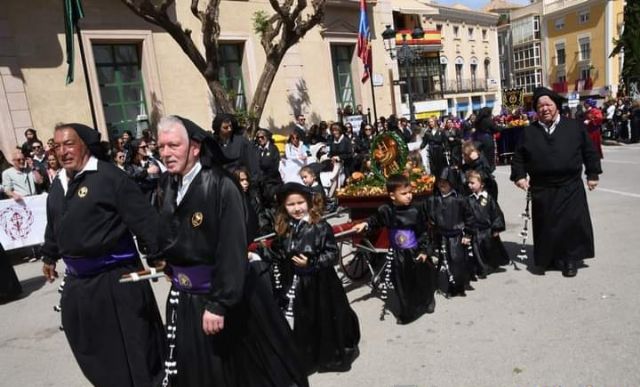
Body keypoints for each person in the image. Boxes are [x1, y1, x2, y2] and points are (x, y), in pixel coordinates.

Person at [154, 115, 308, 386]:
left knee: (238, 371)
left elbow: (232, 246)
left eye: (173, 145)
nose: (166, 153)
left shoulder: (220, 185)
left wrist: (219, 303)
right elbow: (167, 230)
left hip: (224, 297)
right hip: (186, 299)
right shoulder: (167, 185)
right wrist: (168, 262)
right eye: (161, 147)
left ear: (194, 147)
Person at [40, 123, 165, 387]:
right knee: (94, 348)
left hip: (116, 279)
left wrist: (158, 255)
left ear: (84, 145)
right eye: (57, 145)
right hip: (79, 284)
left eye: (69, 144)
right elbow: (54, 224)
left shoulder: (109, 177)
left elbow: (143, 218)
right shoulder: (58, 184)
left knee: (137, 348)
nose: (62, 151)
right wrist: (49, 255)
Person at [261, 182, 360, 374]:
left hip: (320, 283)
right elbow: (280, 252)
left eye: (300, 203)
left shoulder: (320, 227)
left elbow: (332, 255)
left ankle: (328, 357)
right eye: (291, 205)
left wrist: (312, 261)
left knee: (323, 320)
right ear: (283, 207)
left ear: (308, 202)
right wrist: (264, 253)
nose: (297, 208)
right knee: (302, 322)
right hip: (296, 283)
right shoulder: (286, 228)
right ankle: (306, 359)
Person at [510, 87, 602, 277]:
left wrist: (592, 174)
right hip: (542, 188)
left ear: (556, 106)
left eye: (548, 104)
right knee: (546, 225)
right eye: (540, 106)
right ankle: (548, 259)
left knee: (571, 224)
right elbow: (518, 157)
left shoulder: (574, 126)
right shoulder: (529, 132)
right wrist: (519, 176)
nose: (545, 109)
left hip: (570, 186)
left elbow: (589, 151)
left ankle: (569, 260)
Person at [353, 174, 437, 324]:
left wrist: (424, 250)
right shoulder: (387, 210)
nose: (408, 196)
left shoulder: (416, 209)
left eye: (410, 192)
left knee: (421, 278)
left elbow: (423, 231)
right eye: (404, 194)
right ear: (392, 195)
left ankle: (427, 301)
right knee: (401, 282)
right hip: (397, 254)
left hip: (415, 251)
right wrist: (365, 224)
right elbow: (375, 220)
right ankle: (407, 312)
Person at [426, 167, 473, 297]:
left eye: (445, 182)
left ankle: (458, 287)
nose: (441, 185)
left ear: (452, 183)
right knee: (443, 261)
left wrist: (468, 234)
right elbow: (429, 215)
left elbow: (469, 217)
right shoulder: (434, 199)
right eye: (440, 182)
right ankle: (444, 286)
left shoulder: (460, 199)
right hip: (441, 236)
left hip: (456, 236)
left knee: (457, 261)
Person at [465, 170, 508, 277]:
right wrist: (467, 231)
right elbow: (466, 216)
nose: (470, 185)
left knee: (490, 249)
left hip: (488, 230)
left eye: (472, 183)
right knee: (477, 251)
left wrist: (496, 228)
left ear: (482, 184)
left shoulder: (488, 198)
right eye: (469, 183)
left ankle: (491, 265)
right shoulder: (469, 200)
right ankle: (482, 269)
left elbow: (496, 213)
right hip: (476, 230)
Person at [125, 139, 161, 204]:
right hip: (141, 197)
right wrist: (146, 171)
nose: (146, 149)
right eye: (143, 147)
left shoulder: (151, 160)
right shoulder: (130, 165)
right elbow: (131, 178)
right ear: (136, 149)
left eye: (146, 146)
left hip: (155, 196)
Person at [255, 128, 282, 208]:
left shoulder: (273, 149)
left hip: (272, 182)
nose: (260, 139)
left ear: (266, 137)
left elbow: (274, 166)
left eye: (262, 137)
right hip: (260, 183)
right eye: (258, 138)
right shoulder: (257, 150)